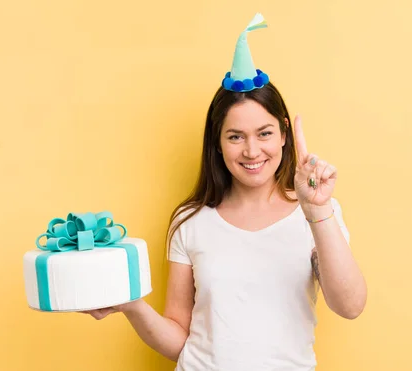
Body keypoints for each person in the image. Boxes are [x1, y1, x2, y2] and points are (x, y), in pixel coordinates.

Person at [84, 13, 367, 370]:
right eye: (236, 137)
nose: (251, 151)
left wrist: (316, 212)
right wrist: (131, 306)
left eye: (264, 133)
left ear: (283, 134)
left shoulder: (318, 214)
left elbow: (350, 305)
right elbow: (180, 339)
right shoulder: (191, 222)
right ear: (217, 143)